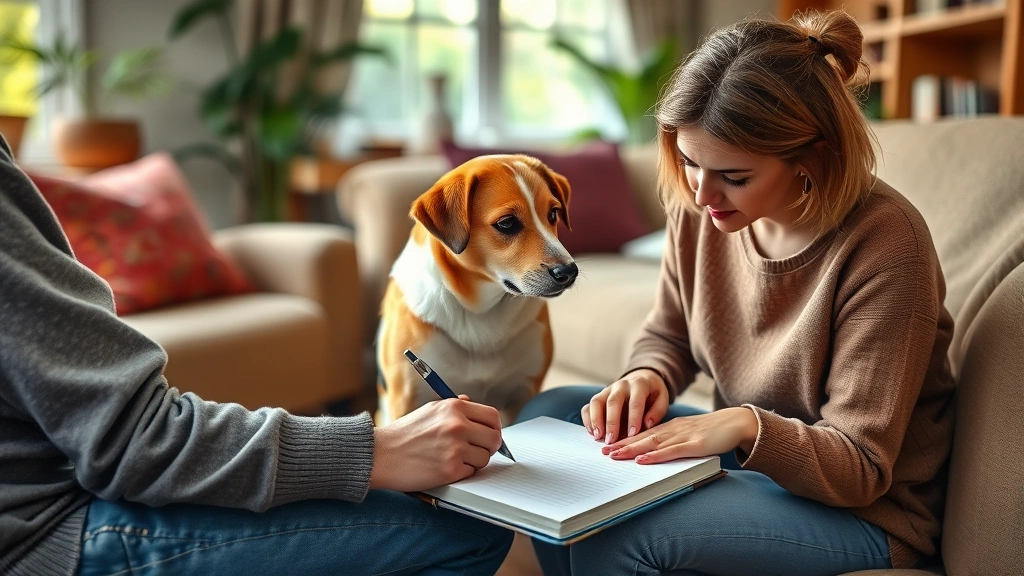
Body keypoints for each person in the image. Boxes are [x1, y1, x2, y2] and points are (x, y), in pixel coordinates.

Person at [517, 10, 955, 576]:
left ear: (812, 157)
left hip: (866, 512)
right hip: (755, 459)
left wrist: (746, 424)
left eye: (734, 175)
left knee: (614, 530)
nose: (702, 193)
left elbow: (861, 467)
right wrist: (645, 377)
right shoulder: (703, 204)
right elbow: (669, 332)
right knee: (551, 418)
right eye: (690, 161)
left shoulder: (886, 247)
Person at [0, 134, 513, 575]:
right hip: (40, 536)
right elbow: (135, 440)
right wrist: (374, 451)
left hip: (54, 491)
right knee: (469, 528)